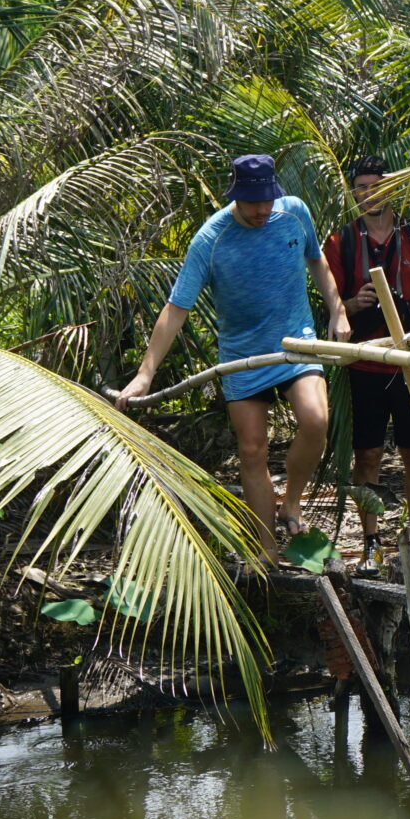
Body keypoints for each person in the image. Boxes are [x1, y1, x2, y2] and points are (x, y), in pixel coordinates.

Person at [116, 153, 350, 546]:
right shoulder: (211, 238)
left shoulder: (294, 213)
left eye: (267, 200)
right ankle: (266, 549)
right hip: (242, 357)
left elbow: (316, 259)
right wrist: (145, 374)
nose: (262, 210)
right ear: (235, 196)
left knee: (316, 422)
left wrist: (337, 311)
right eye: (252, 202)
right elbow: (176, 310)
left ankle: (291, 503)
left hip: (296, 343)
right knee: (252, 449)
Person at [325, 156, 410, 563]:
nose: (366, 195)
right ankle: (371, 545)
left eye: (374, 186)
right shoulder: (340, 240)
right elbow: (333, 307)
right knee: (368, 455)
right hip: (365, 363)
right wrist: (351, 303)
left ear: (391, 188)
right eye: (359, 188)